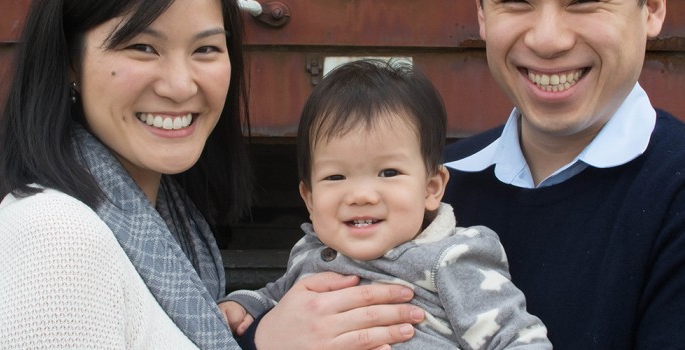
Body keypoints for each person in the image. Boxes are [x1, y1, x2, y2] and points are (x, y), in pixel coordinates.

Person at [0, 1, 424, 349]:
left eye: (206, 49)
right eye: (142, 47)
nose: (181, 85)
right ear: (68, 60)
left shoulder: (172, 227)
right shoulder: (52, 233)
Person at [218, 59, 552, 349]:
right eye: (336, 177)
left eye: (388, 172)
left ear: (431, 188)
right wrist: (244, 307)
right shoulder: (309, 253)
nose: (362, 195)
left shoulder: (451, 258)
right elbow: (277, 299)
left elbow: (515, 337)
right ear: (308, 198)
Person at [442, 0, 684, 348]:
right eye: (515, 2)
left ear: (653, 9)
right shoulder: (425, 188)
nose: (548, 40)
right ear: (482, 14)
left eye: (584, 2)